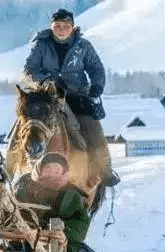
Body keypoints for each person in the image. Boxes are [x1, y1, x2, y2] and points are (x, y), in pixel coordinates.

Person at [24, 8, 119, 187]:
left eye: (65, 26)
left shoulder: (83, 46)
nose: (61, 29)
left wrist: (97, 85)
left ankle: (104, 170)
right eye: (57, 25)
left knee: (94, 131)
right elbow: (29, 70)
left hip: (77, 96)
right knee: (27, 126)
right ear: (52, 27)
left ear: (72, 27)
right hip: (47, 97)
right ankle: (14, 166)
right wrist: (47, 80)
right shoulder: (41, 45)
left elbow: (96, 68)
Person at [9, 153, 97, 252]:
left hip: (60, 247)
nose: (49, 185)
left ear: (65, 176)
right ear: (36, 174)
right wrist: (25, 234)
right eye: (45, 180)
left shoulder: (71, 195)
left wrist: (66, 234)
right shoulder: (21, 190)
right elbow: (8, 220)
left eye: (55, 180)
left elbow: (79, 221)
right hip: (27, 247)